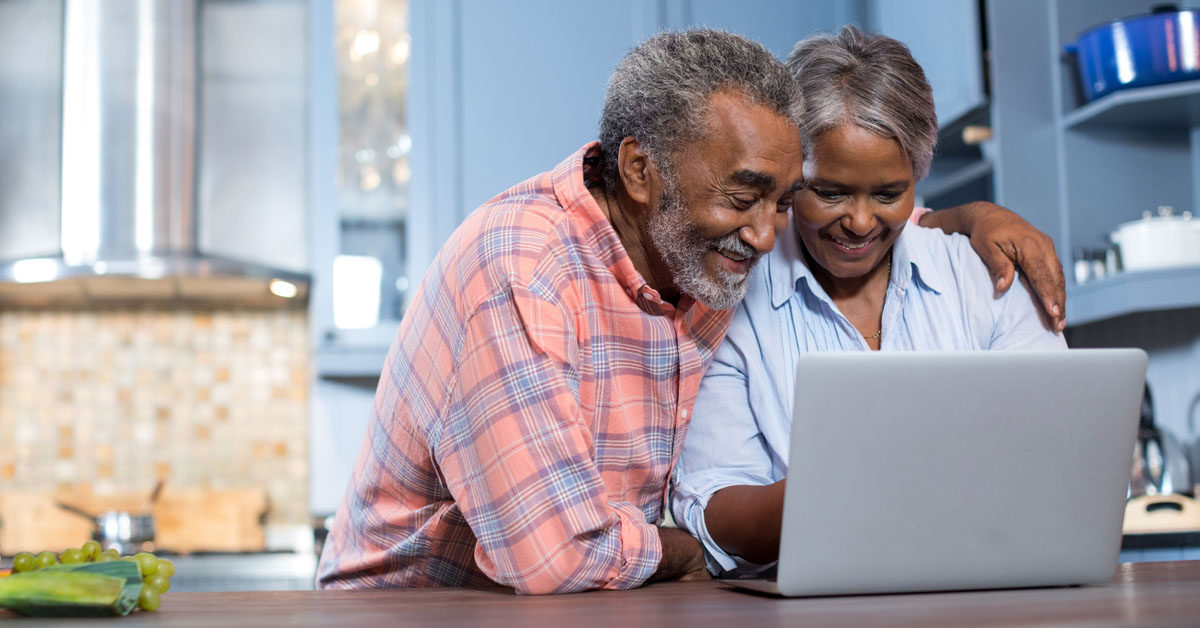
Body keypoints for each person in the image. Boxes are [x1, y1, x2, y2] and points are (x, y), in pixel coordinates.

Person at [319, 29, 1064, 595]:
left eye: (783, 200)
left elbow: (867, 213)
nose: (770, 235)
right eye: (746, 198)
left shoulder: (698, 261)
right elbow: (555, 556)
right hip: (418, 607)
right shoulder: (522, 269)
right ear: (641, 171)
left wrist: (965, 217)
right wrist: (683, 551)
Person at [670, 25, 1069, 576]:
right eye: (829, 193)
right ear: (789, 177)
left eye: (888, 194)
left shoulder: (987, 278)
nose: (859, 223)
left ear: (917, 179)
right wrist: (842, 491)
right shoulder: (732, 300)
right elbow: (712, 500)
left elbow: (1064, 459)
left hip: (993, 585)